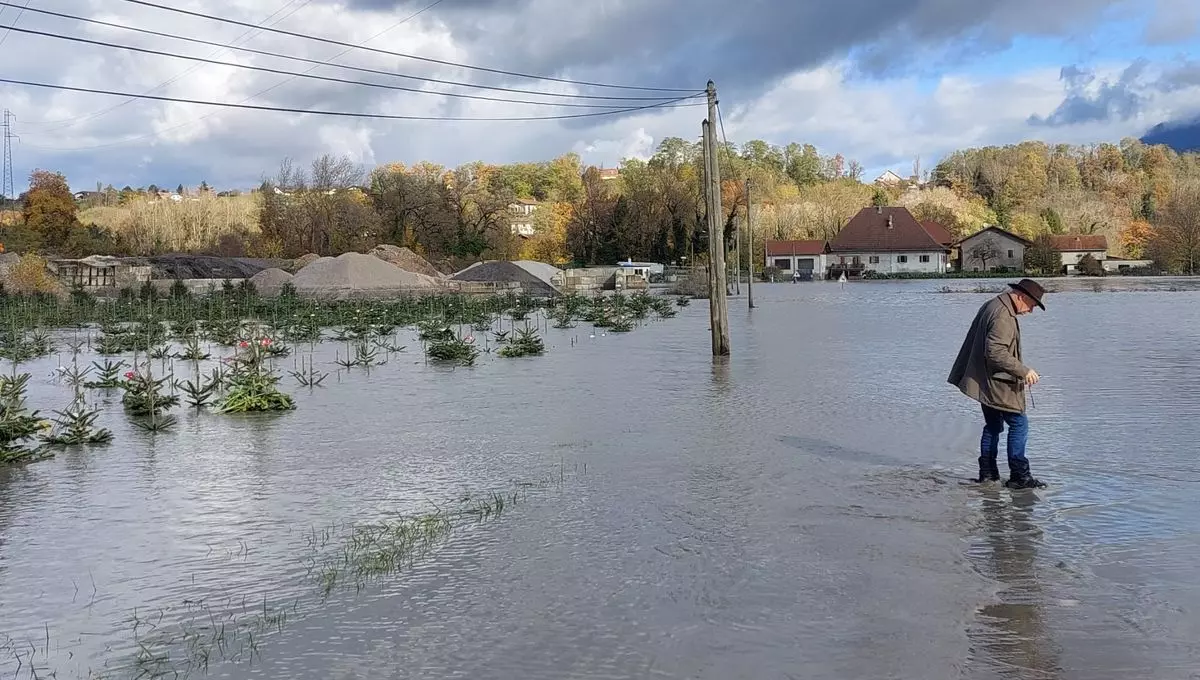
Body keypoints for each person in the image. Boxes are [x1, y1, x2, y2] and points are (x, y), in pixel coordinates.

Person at [947, 278, 1047, 489]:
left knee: (993, 426)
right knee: (1019, 424)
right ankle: (1019, 476)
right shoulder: (1003, 315)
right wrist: (1024, 371)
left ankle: (988, 475)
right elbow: (995, 353)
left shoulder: (994, 304)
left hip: (984, 379)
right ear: (1021, 297)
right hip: (996, 381)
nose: (1031, 311)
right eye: (1032, 305)